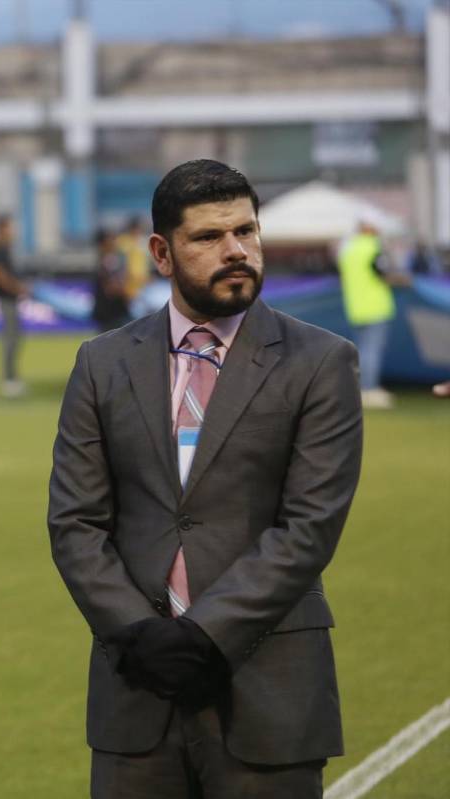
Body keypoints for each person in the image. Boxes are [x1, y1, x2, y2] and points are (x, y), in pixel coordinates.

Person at [48, 159, 363, 798]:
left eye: (246, 232)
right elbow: (75, 521)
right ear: (162, 253)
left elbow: (309, 528)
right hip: (134, 695)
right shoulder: (102, 363)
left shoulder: (322, 362)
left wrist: (203, 636)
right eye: (209, 238)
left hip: (269, 690)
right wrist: (137, 633)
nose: (236, 251)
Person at [336, 220, 404, 409]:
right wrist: (404, 280)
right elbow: (383, 273)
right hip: (375, 307)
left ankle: (360, 388)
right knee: (371, 351)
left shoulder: (348, 249)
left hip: (355, 308)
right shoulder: (373, 248)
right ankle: (369, 389)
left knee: (361, 351)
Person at [0, 214, 28, 397]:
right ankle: (8, 379)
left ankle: (12, 377)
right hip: (6, 298)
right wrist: (16, 288)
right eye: (10, 227)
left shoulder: (4, 248)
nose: (13, 231)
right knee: (11, 338)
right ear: (2, 228)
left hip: (11, 298)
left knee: (15, 337)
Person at [92, 229, 131, 332]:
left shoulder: (116, 258)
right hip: (109, 309)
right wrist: (125, 291)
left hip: (117, 309)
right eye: (110, 239)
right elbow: (110, 288)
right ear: (103, 243)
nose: (114, 242)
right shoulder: (104, 261)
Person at [116, 216, 150, 305]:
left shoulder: (144, 241)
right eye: (135, 229)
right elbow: (120, 261)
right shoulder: (123, 241)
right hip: (128, 282)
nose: (137, 231)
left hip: (142, 281)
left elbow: (147, 262)